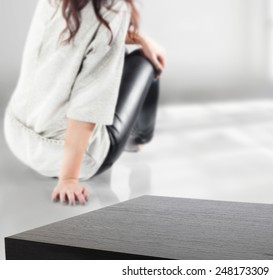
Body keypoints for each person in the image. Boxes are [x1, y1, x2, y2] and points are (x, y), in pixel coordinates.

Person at [3, 0, 166, 206]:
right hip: (73, 159)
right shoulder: (112, 9)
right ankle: (137, 139)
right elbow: (87, 106)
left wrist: (140, 38)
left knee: (117, 54)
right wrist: (68, 179)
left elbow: (86, 29)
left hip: (18, 136)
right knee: (145, 60)